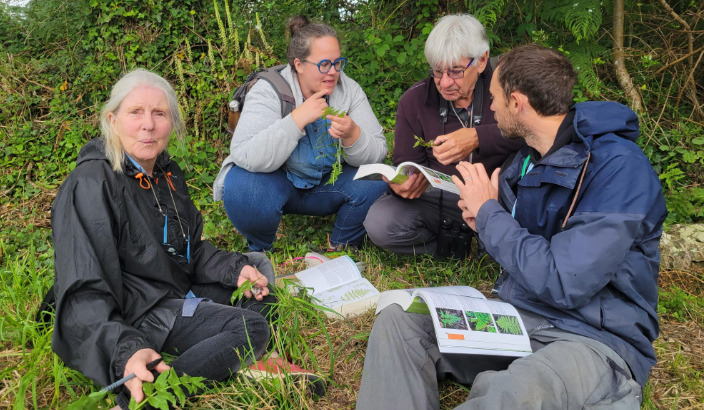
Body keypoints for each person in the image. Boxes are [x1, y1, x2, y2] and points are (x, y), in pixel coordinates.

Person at [356, 44, 667, 409]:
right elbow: (517, 249)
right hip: (520, 318)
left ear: (517, 102)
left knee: (515, 390)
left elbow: (566, 281)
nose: (489, 109)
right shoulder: (526, 161)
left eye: (494, 99)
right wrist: (483, 221)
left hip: (592, 338)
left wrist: (490, 215)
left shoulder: (618, 169)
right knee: (401, 323)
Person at [50, 69, 292, 409]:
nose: (148, 124)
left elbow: (187, 249)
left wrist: (232, 270)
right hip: (135, 311)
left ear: (171, 123)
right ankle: (144, 398)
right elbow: (83, 286)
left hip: (170, 288)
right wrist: (124, 350)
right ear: (112, 119)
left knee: (257, 270)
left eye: (159, 113)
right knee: (250, 328)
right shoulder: (91, 183)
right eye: (135, 112)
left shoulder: (166, 173)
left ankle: (227, 358)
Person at [212, 15, 388, 252]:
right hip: (277, 182)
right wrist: (296, 120)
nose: (333, 72)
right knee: (242, 189)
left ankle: (342, 245)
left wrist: (353, 134)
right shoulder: (269, 90)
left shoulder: (349, 89)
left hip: (329, 183)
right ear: (298, 65)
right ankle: (261, 248)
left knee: (384, 181)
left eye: (338, 63)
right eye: (324, 64)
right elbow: (244, 153)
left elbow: (378, 151)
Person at [363, 14, 524, 256]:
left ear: (482, 61)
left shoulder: (508, 87)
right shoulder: (415, 100)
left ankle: (492, 241)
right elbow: (406, 161)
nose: (445, 82)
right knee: (380, 222)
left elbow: (536, 133)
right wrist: (407, 182)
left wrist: (478, 137)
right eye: (438, 71)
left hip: (500, 196)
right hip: (442, 199)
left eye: (456, 72)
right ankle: (457, 247)